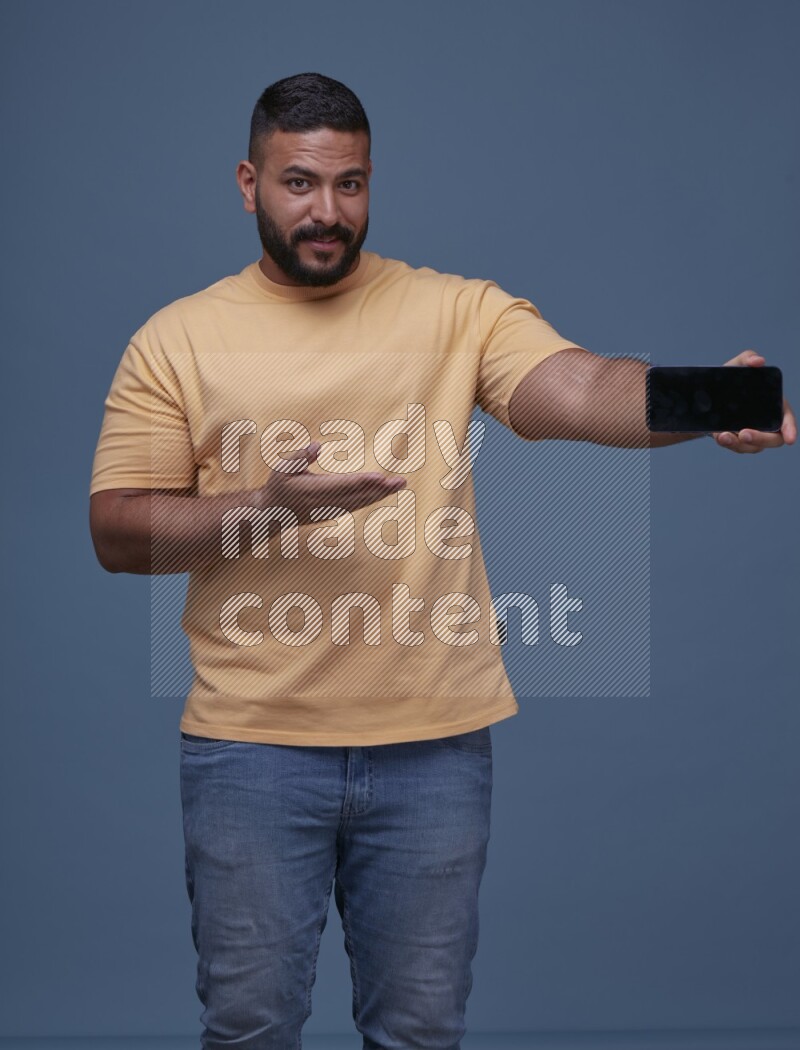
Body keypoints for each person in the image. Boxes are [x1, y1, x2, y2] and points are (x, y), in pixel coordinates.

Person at [89, 73, 795, 1050]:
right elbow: (117, 533)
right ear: (248, 182)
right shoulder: (175, 340)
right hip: (250, 751)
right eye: (298, 184)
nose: (326, 212)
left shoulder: (456, 312)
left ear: (371, 183)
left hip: (432, 753)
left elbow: (581, 388)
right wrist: (262, 511)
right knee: (249, 1028)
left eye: (349, 184)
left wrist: (712, 402)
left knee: (419, 1033)